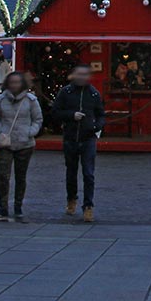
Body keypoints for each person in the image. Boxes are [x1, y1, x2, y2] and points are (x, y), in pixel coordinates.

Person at [51, 63, 105, 222]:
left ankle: (88, 206)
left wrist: (96, 126)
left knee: (88, 173)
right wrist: (71, 115)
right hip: (70, 137)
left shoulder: (94, 94)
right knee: (71, 172)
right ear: (73, 75)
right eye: (79, 74)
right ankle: (71, 199)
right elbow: (55, 112)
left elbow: (101, 114)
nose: (82, 77)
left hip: (88, 137)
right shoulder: (65, 92)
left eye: (85, 74)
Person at [0, 71, 43, 222]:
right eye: (12, 82)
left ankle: (18, 206)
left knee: (21, 176)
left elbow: (37, 119)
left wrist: (30, 132)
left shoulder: (30, 100)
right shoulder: (1, 100)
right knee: (3, 176)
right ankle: (3, 207)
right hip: (5, 142)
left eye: (17, 82)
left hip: (24, 143)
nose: (14, 85)